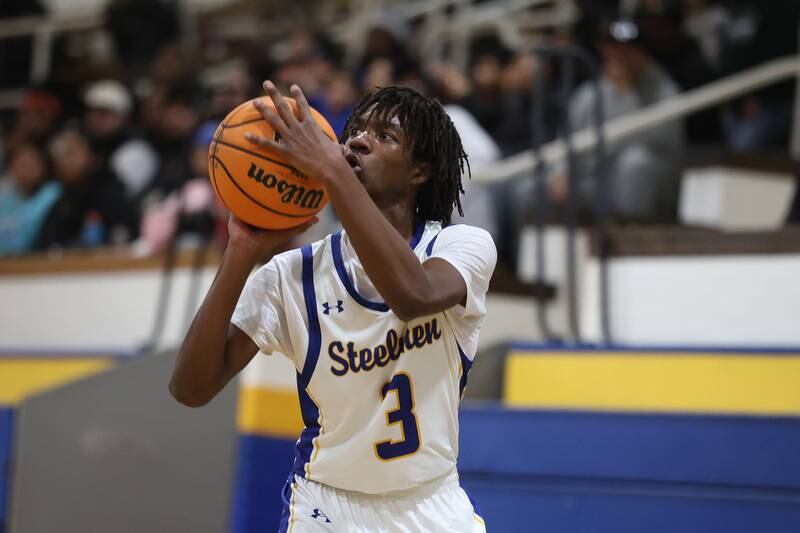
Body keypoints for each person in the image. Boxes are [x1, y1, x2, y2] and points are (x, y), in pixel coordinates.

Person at [169, 82, 496, 532]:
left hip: (430, 502)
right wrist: (241, 251)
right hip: (328, 507)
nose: (358, 140)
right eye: (355, 130)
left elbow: (412, 295)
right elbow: (191, 388)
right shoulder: (292, 274)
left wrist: (334, 173)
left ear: (419, 171)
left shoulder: (462, 247)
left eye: (384, 137)